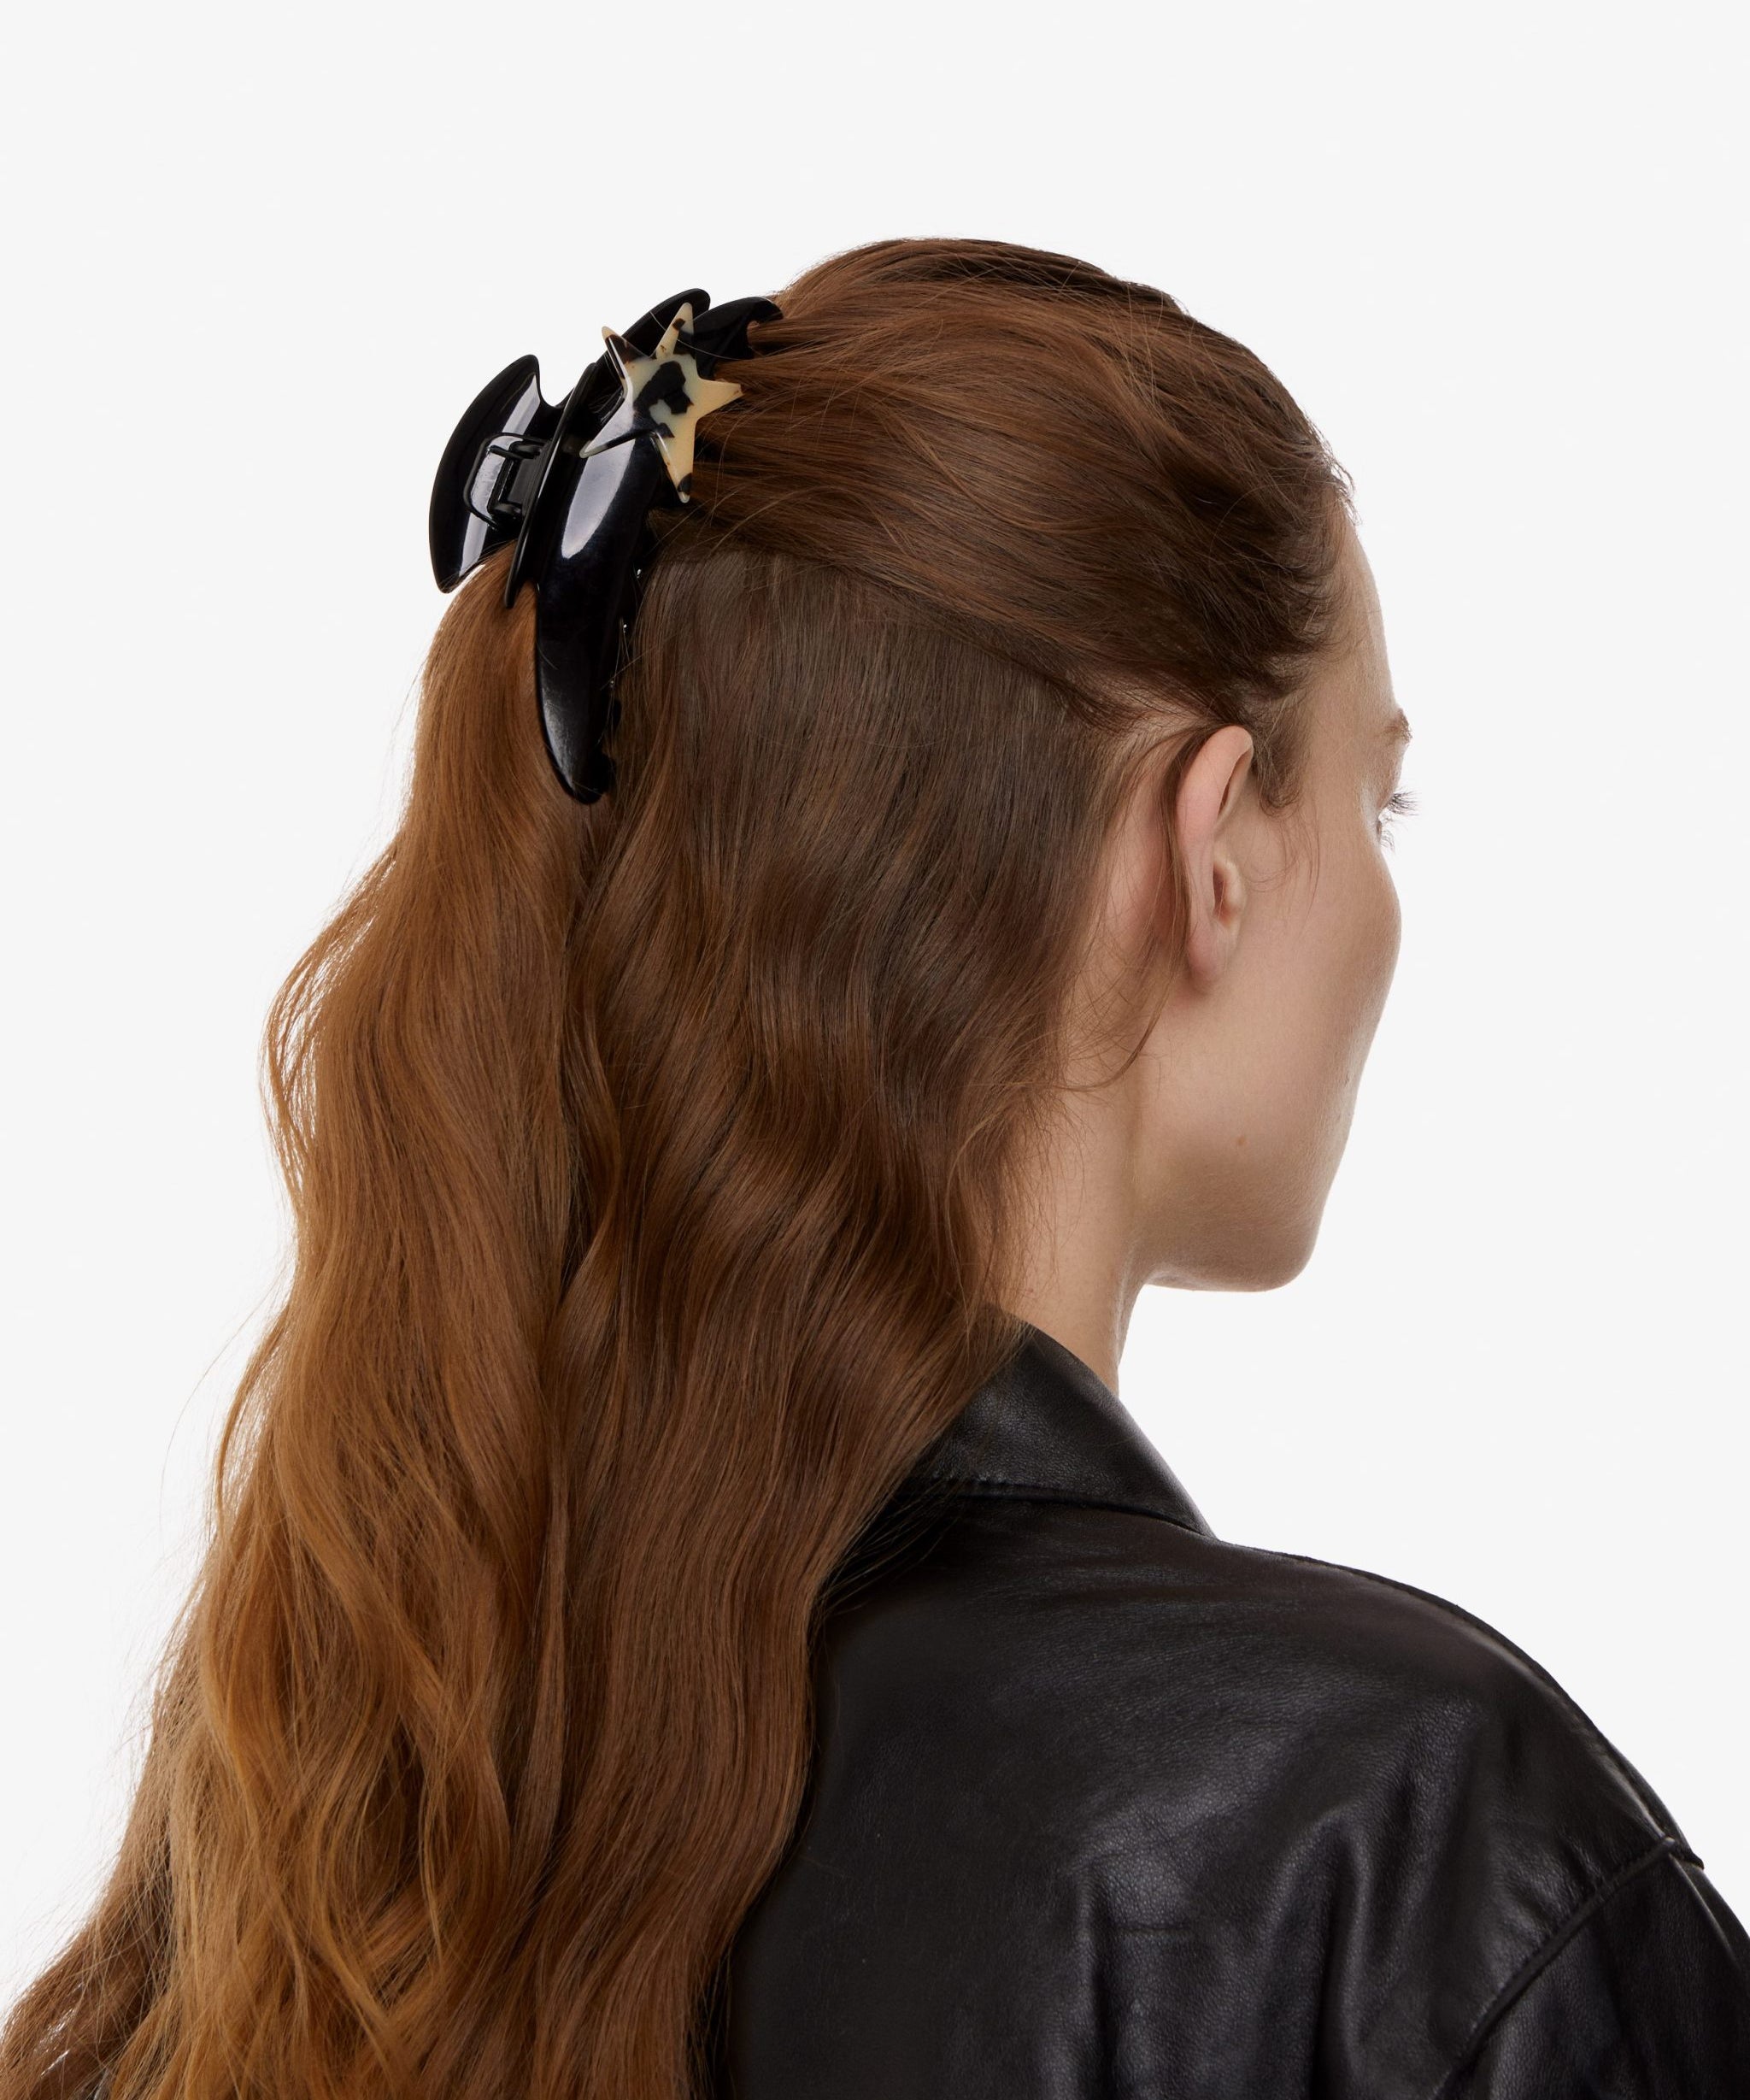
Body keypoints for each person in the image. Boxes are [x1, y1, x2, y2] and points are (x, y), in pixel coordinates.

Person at [2, 236, 1744, 2100]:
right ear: (1208, 849)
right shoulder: (1403, 1853)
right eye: (1373, 798)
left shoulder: (327, 1829)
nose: (1386, 897)